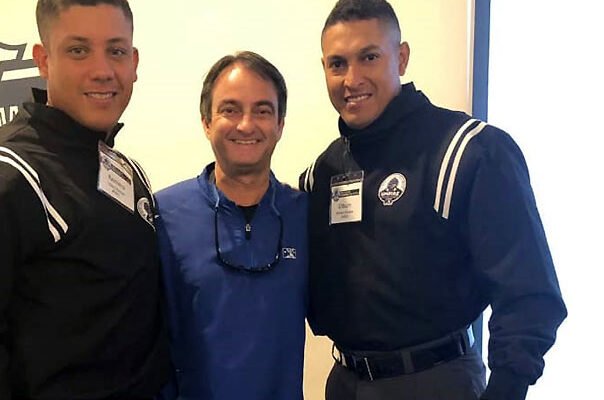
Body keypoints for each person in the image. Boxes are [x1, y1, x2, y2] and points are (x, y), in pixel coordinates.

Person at [299, 1, 567, 399]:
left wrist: (507, 387)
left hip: (436, 381)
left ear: (401, 58)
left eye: (369, 57)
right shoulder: (321, 173)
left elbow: (529, 295)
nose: (352, 79)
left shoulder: (470, 151)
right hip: (344, 383)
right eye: (338, 64)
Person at [0, 1, 170, 399]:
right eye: (78, 50)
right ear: (43, 60)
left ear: (134, 62)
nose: (102, 70)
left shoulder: (128, 171)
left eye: (116, 50)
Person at [156, 51, 307, 400]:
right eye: (230, 109)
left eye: (262, 111)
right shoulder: (163, 215)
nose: (246, 125)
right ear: (206, 122)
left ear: (280, 125)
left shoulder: (304, 215)